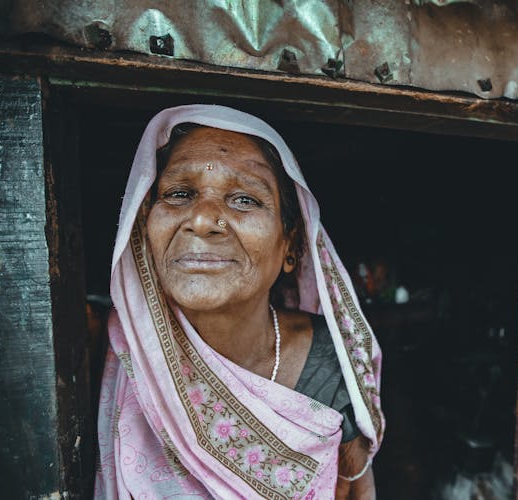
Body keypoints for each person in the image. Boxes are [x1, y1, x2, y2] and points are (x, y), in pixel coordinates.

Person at [95, 105, 385, 499]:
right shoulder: (110, 348)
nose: (201, 220)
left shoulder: (332, 362)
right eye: (179, 194)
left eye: (245, 200)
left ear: (291, 247)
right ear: (143, 227)